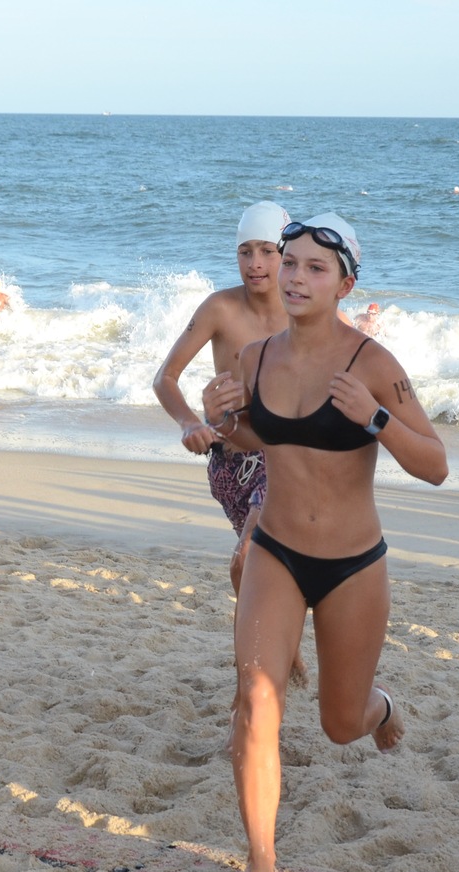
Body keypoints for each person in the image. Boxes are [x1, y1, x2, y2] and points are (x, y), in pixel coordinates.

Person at [202, 213, 447, 872]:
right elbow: (248, 436)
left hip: (352, 564)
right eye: (290, 263)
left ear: (345, 284)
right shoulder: (255, 358)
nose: (296, 276)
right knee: (256, 701)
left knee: (341, 724)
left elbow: (435, 465)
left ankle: (384, 707)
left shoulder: (372, 364)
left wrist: (375, 415)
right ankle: (260, 865)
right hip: (275, 550)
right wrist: (216, 419)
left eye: (315, 267)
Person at [153, 202, 290, 596]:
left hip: (278, 460)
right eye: (245, 252)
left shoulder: (305, 313)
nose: (255, 263)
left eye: (267, 251)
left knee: (247, 559)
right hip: (227, 468)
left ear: (286, 256)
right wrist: (190, 422)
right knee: (260, 572)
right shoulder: (220, 308)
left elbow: (354, 358)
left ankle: (271, 656)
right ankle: (283, 654)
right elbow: (165, 377)